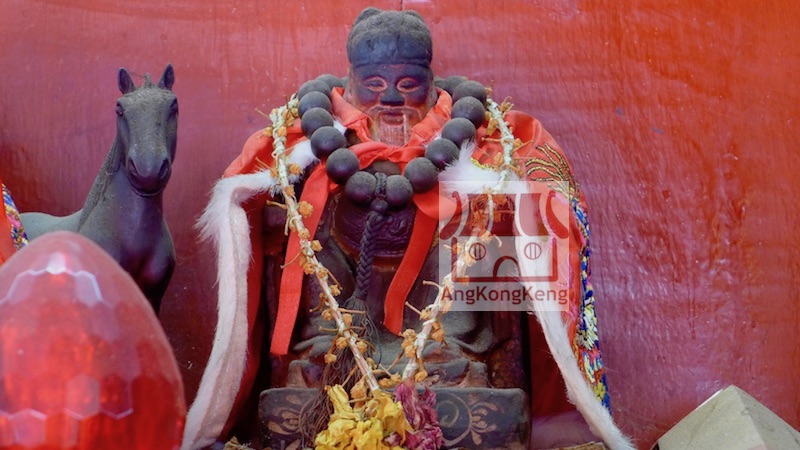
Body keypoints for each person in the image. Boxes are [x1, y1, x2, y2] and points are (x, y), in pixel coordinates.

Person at [185, 8, 632, 450]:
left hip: (438, 318)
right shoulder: (310, 132)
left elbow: (544, 193)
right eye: (375, 85)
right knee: (310, 231)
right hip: (345, 302)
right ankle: (326, 345)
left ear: (430, 80)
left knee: (473, 225)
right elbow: (254, 189)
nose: (392, 101)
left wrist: (493, 196)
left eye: (408, 85)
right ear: (351, 80)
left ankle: (451, 348)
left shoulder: (484, 133)